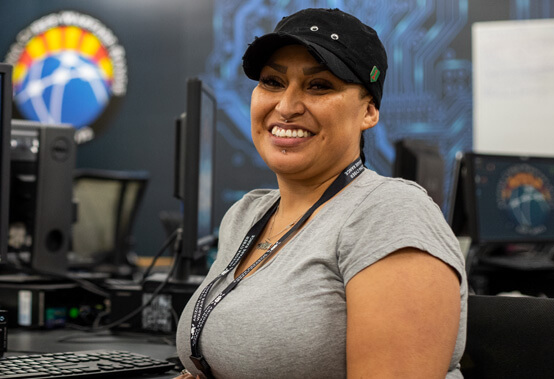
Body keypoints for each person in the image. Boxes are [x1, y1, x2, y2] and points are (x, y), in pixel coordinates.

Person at [174, 8, 467, 379]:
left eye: (319, 86)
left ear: (369, 111)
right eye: (272, 82)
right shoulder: (247, 214)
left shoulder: (390, 213)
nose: (286, 106)